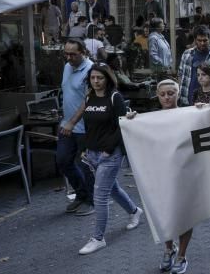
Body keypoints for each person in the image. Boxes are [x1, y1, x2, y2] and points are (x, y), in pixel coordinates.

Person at [61, 63, 144, 255]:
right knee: (112, 188)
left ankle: (98, 238)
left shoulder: (115, 97)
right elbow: (89, 126)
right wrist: (84, 149)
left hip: (110, 155)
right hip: (92, 153)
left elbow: (122, 125)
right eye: (93, 78)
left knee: (100, 196)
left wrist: (108, 149)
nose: (96, 81)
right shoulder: (89, 97)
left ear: (107, 78)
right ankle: (134, 212)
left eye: (100, 78)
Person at [125, 79, 193, 274]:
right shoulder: (150, 119)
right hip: (160, 175)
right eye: (162, 94)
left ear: (178, 94)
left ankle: (182, 255)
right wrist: (133, 122)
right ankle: (168, 249)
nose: (166, 98)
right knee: (163, 212)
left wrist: (207, 108)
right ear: (157, 94)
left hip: (184, 173)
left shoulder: (189, 114)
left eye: (171, 93)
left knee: (185, 215)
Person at [57, 40, 95, 216]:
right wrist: (66, 120)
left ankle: (91, 201)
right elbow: (68, 94)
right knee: (63, 161)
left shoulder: (91, 71)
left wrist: (73, 122)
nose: (69, 57)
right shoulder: (67, 66)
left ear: (84, 52)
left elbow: (88, 101)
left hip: (84, 127)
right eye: (66, 53)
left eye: (73, 54)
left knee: (84, 165)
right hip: (67, 125)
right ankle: (81, 194)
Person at [177, 27, 210, 105]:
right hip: (186, 99)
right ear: (195, 40)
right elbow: (180, 74)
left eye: (205, 40)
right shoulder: (187, 54)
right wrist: (179, 93)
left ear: (209, 39)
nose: (202, 43)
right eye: (199, 40)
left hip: (208, 101)